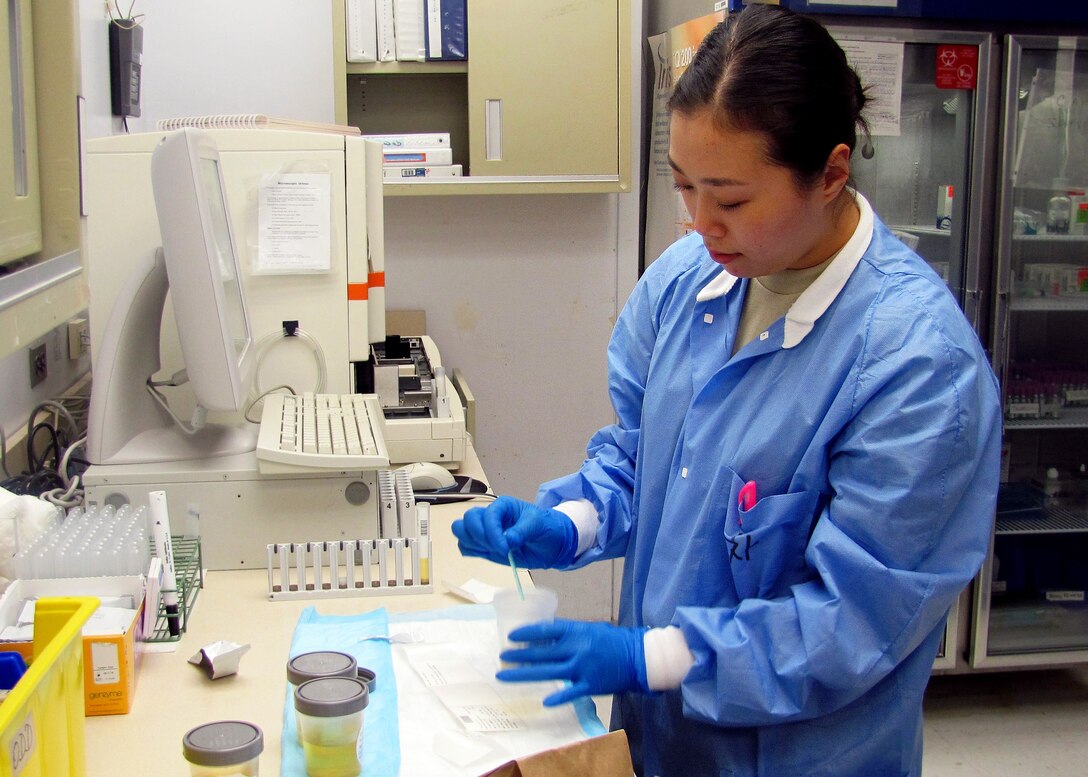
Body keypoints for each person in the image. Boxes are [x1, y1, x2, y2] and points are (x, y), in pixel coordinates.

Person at [452, 5, 1002, 776]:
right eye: (685, 187)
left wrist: (659, 655)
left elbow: (852, 619)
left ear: (832, 173)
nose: (702, 223)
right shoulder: (688, 283)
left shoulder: (916, 370)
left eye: (732, 199)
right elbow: (644, 457)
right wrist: (570, 521)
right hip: (658, 742)